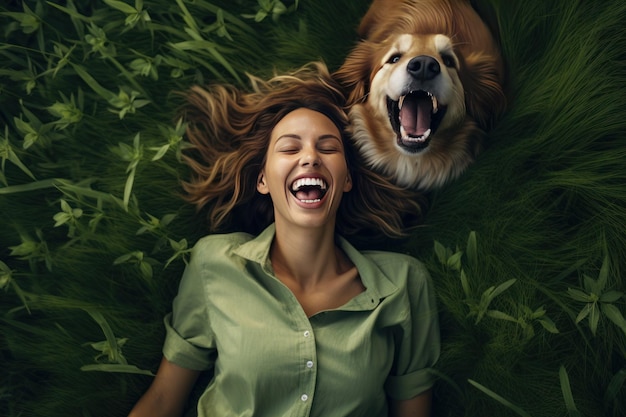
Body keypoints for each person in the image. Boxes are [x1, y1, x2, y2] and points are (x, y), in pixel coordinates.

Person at [128, 62, 440, 417]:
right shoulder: (215, 264)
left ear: (348, 179)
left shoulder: (403, 284)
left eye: (328, 148)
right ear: (262, 180)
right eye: (290, 149)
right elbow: (163, 400)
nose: (310, 158)